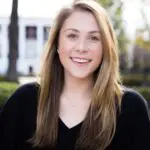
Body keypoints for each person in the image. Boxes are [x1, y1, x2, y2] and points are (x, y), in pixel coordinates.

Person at [0, 0, 150, 150]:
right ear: (57, 43)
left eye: (94, 38)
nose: (81, 47)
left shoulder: (131, 109)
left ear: (105, 47)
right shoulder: (23, 102)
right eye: (72, 36)